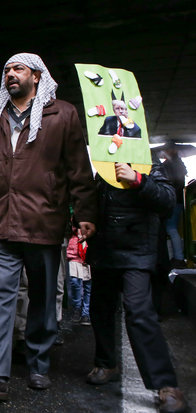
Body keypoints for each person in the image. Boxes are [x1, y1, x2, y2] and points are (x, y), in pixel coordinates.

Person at [0, 53, 97, 398]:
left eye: (17, 68)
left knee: (43, 295)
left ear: (36, 76)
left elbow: (78, 168)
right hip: (1, 222)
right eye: (6, 69)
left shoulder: (62, 113)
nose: (10, 74)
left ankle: (38, 363)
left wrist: (85, 213)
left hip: (43, 220)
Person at [86, 161, 188, 413]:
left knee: (139, 311)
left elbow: (166, 200)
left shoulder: (148, 161)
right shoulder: (102, 164)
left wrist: (138, 179)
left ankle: (166, 385)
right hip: (105, 247)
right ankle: (106, 363)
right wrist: (84, 220)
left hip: (137, 250)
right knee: (100, 307)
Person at [161, 144, 187, 268]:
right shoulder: (179, 164)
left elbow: (170, 182)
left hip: (173, 200)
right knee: (173, 228)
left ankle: (178, 257)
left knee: (171, 228)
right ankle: (178, 257)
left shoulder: (169, 165)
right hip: (179, 200)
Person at [66, 221, 91, 326]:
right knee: (75, 283)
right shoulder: (73, 220)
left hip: (88, 254)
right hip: (74, 255)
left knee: (87, 286)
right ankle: (77, 308)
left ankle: (86, 312)